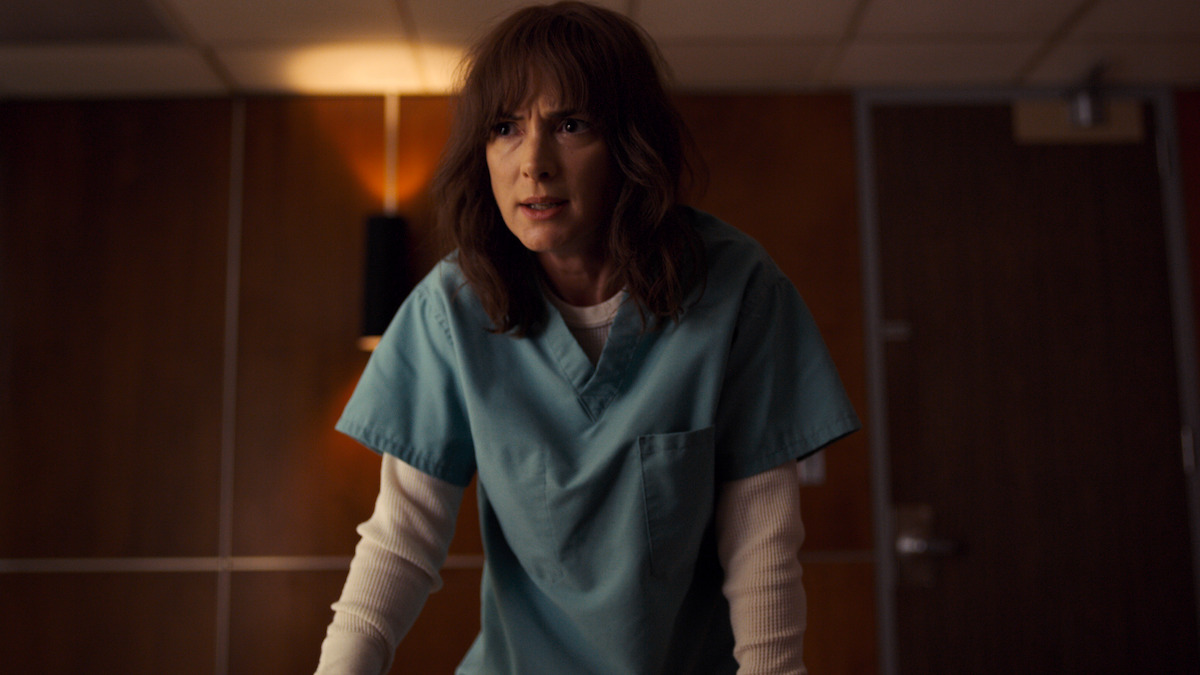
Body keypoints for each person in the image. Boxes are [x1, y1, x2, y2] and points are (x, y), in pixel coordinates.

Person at [315, 2, 859, 673]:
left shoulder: (737, 289)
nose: (533, 163)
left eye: (570, 125)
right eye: (505, 128)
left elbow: (762, 542)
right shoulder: (452, 309)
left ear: (631, 145)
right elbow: (401, 541)